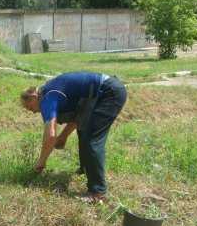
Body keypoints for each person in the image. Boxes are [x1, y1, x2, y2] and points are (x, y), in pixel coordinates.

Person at [21, 71, 127, 203]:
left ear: (33, 96)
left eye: (29, 107)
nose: (32, 111)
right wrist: (64, 136)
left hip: (108, 93)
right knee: (83, 132)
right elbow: (79, 116)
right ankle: (86, 169)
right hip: (107, 90)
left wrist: (41, 162)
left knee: (92, 140)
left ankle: (98, 193)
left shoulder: (47, 97)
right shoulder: (51, 91)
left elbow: (50, 135)